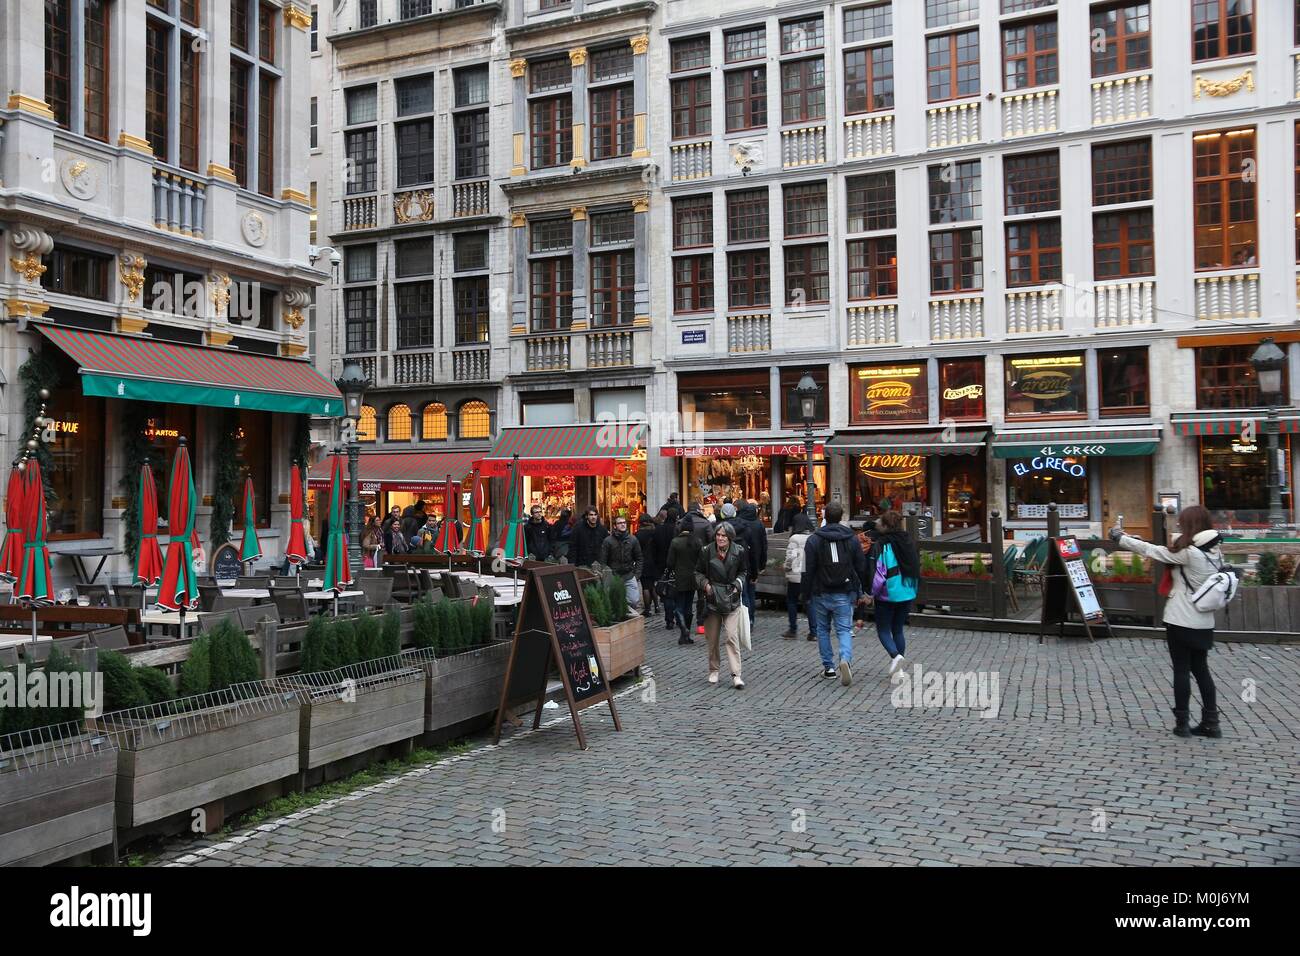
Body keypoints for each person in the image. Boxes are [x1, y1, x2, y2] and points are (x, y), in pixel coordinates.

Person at [1112, 506, 1225, 738]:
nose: (1179, 526)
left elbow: (1154, 551)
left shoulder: (1190, 553)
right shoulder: (1216, 552)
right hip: (1204, 621)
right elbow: (1164, 548)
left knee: (1182, 670)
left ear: (1190, 526)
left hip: (1181, 620)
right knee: (1202, 670)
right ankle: (1211, 722)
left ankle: (1182, 723)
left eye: (1182, 523)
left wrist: (1122, 539)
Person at [803, 501, 866, 686]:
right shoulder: (851, 538)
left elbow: (808, 569)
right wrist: (864, 588)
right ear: (841, 517)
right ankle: (845, 658)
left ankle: (829, 667)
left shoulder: (814, 539)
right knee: (844, 629)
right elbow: (860, 565)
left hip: (820, 591)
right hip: (843, 591)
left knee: (823, 630)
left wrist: (805, 594)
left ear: (824, 516)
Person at [862, 510, 920, 676]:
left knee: (883, 630)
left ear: (886, 526)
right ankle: (899, 669)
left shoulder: (883, 545)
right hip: (907, 590)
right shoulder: (907, 541)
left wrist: (871, 593)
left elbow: (880, 573)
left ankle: (895, 656)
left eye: (880, 522)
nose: (877, 524)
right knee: (898, 630)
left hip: (888, 593)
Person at [695, 522, 747, 689]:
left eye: (724, 535)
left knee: (731, 636)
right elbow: (698, 572)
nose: (720, 538)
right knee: (712, 638)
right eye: (718, 535)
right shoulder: (706, 551)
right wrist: (706, 585)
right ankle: (714, 669)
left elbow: (743, 572)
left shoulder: (739, 551)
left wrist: (737, 584)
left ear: (730, 537)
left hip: (731, 598)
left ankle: (736, 674)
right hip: (712, 600)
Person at [665, 517, 702, 645]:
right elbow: (701, 560)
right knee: (688, 605)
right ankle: (686, 634)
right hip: (693, 578)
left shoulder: (675, 542)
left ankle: (684, 631)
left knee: (679, 606)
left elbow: (670, 562)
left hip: (679, 578)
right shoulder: (697, 541)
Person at [732, 500, 768, 627]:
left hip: (741, 561)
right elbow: (764, 546)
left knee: (743, 592)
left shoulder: (739, 523)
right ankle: (750, 618)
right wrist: (762, 564)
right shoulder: (759, 524)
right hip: (754, 561)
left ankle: (743, 619)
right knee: (751, 592)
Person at [599, 514, 644, 615]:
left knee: (633, 600)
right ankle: (620, 616)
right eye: (620, 523)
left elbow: (639, 558)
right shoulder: (608, 541)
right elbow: (603, 560)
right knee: (613, 601)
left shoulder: (633, 539)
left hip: (629, 575)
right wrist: (607, 574)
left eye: (624, 523)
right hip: (614, 576)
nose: (622, 525)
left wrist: (637, 575)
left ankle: (625, 612)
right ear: (615, 526)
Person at [782, 511, 815, 641]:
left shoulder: (795, 539)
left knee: (792, 601)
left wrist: (785, 567)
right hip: (809, 574)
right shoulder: (812, 537)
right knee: (809, 602)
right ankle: (814, 631)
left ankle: (793, 628)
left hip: (796, 574)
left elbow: (791, 557)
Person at [635, 512, 661, 617]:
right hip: (653, 561)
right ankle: (657, 606)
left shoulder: (638, 535)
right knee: (652, 586)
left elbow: (636, 550)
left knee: (645, 586)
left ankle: (647, 609)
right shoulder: (654, 532)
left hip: (643, 561)